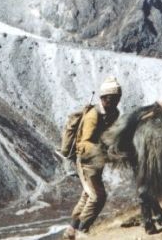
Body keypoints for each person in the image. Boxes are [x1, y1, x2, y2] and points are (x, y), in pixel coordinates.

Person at [63, 76, 122, 239]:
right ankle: (82, 230)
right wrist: (105, 152)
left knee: (88, 194)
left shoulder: (113, 113)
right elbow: (84, 143)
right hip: (87, 161)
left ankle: (71, 229)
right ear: (103, 98)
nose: (115, 102)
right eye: (112, 99)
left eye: (117, 99)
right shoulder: (93, 116)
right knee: (98, 197)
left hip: (97, 161)